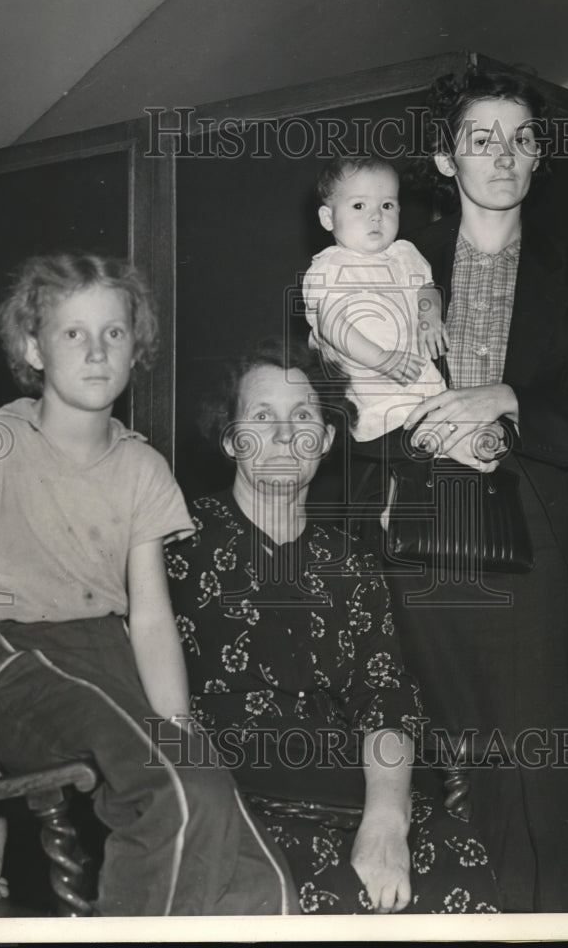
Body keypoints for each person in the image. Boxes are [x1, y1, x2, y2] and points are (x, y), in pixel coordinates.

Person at [0, 253, 296, 916]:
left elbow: (152, 622)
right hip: (20, 655)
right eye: (73, 332)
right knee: (179, 794)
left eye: (114, 332)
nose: (97, 349)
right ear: (31, 347)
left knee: (258, 879)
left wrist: (181, 739)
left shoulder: (142, 466)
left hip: (113, 659)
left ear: (138, 347)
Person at [378, 68, 568, 911]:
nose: (503, 155)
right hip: (416, 521)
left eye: (520, 138)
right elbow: (348, 394)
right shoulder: (395, 261)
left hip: (530, 528)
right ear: (447, 160)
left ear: (537, 154)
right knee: (443, 744)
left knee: (530, 760)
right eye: (482, 139)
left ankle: (544, 918)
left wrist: (504, 401)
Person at [165, 337, 500, 914]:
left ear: (325, 440)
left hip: (349, 788)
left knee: (453, 860)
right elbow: (95, 661)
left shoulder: (351, 561)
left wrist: (387, 824)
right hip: (226, 798)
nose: (282, 434)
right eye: (261, 417)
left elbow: (386, 699)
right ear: (230, 439)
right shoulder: (175, 544)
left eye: (302, 417)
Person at [301, 155, 449, 447]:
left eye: (387, 205)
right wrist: (382, 359)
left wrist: (429, 315)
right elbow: (331, 325)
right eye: (359, 206)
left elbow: (427, 288)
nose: (376, 216)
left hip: (422, 383)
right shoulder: (329, 268)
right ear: (328, 218)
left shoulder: (404, 254)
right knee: (404, 452)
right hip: (376, 399)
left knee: (445, 439)